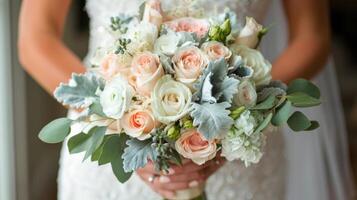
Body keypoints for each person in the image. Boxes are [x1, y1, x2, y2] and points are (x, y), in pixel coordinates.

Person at [18, 0, 355, 199]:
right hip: (109, 156)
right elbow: (36, 38)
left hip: (241, 157)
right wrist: (117, 124)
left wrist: (239, 117)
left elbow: (312, 36)